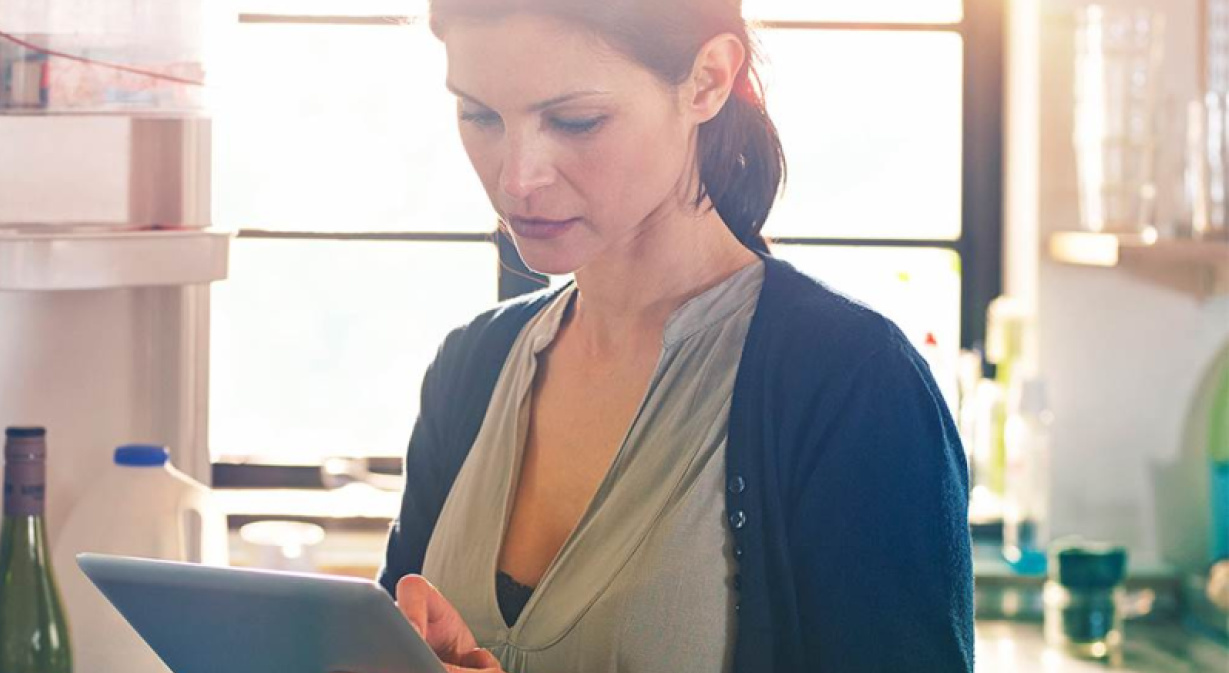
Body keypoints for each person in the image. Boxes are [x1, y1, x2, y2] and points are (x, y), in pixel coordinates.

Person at [375, 1, 975, 671]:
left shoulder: (851, 381)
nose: (516, 178)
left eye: (575, 121)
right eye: (479, 115)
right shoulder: (471, 365)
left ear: (707, 80)